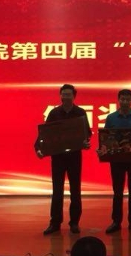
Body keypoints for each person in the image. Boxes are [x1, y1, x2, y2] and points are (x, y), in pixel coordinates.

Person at [35, 84, 91, 235]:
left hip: (74, 157)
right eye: (63, 94)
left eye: (68, 94)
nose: (66, 97)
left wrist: (85, 142)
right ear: (60, 96)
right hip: (58, 157)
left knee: (75, 190)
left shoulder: (80, 112)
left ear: (74, 96)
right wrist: (39, 148)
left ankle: (74, 222)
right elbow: (45, 133)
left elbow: (87, 133)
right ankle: (55, 223)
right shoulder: (54, 113)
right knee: (57, 190)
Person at [102, 89, 131, 234]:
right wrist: (103, 149)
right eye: (122, 99)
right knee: (117, 191)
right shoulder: (111, 118)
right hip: (116, 160)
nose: (125, 102)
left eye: (128, 99)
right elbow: (105, 138)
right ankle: (116, 221)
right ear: (118, 100)